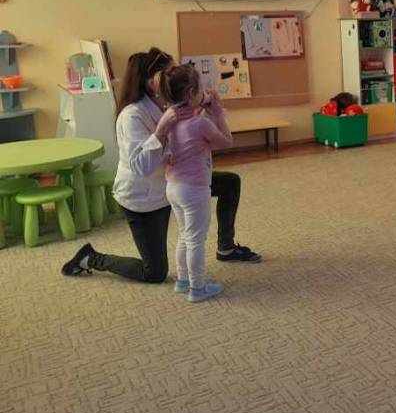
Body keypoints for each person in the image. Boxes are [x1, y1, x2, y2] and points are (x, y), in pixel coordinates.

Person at [62, 47, 260, 283]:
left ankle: (226, 248)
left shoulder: (169, 102)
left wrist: (207, 106)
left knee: (229, 183)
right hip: (143, 197)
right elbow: (140, 167)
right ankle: (91, 257)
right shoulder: (132, 115)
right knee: (154, 273)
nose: (172, 78)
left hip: (174, 182)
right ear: (151, 81)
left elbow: (196, 129)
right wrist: (161, 130)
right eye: (168, 73)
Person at [158, 64, 232, 302]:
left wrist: (202, 107)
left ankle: (183, 280)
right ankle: (198, 288)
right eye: (200, 89)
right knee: (196, 240)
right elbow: (227, 141)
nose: (204, 92)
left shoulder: (170, 119)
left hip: (173, 187)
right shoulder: (201, 124)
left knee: (185, 235)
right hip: (194, 190)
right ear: (191, 93)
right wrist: (218, 113)